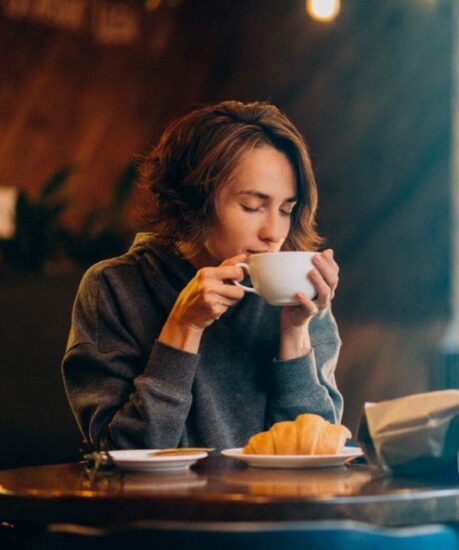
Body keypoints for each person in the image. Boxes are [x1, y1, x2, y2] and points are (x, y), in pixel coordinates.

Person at [62, 100, 342, 451]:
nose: (274, 233)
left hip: (271, 491)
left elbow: (316, 451)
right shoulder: (115, 287)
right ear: (194, 202)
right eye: (253, 207)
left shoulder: (299, 293)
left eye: (286, 209)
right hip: (162, 493)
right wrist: (184, 326)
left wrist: (295, 333)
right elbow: (120, 453)